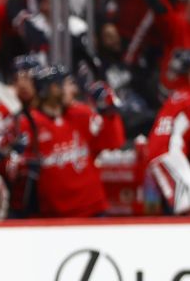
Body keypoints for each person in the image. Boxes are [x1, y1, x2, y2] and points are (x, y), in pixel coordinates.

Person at [13, 64, 125, 217]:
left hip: (93, 210)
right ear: (50, 88)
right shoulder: (29, 123)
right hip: (53, 216)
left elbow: (114, 143)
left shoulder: (81, 114)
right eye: (67, 84)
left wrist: (109, 112)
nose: (74, 90)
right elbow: (15, 169)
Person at [145, 49, 190, 214]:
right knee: (186, 208)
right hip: (166, 154)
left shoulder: (180, 94)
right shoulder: (185, 98)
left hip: (165, 154)